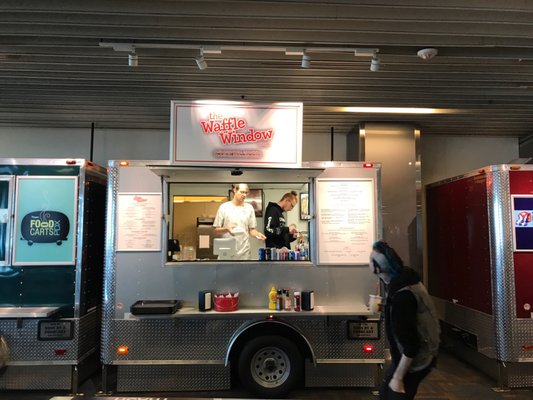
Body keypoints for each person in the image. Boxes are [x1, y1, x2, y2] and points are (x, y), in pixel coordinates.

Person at [369, 240, 440, 400]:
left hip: (416, 360)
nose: (368, 263)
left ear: (377, 268)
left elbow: (411, 345)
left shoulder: (402, 296)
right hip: (408, 355)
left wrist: (398, 378)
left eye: (370, 260)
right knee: (385, 393)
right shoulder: (402, 280)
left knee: (393, 394)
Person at [213, 183, 266, 260]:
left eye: (246, 192)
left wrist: (257, 234)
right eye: (242, 192)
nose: (244, 195)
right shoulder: (224, 207)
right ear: (234, 190)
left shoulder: (249, 208)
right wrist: (226, 229)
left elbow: (251, 230)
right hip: (226, 251)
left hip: (244, 252)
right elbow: (216, 231)